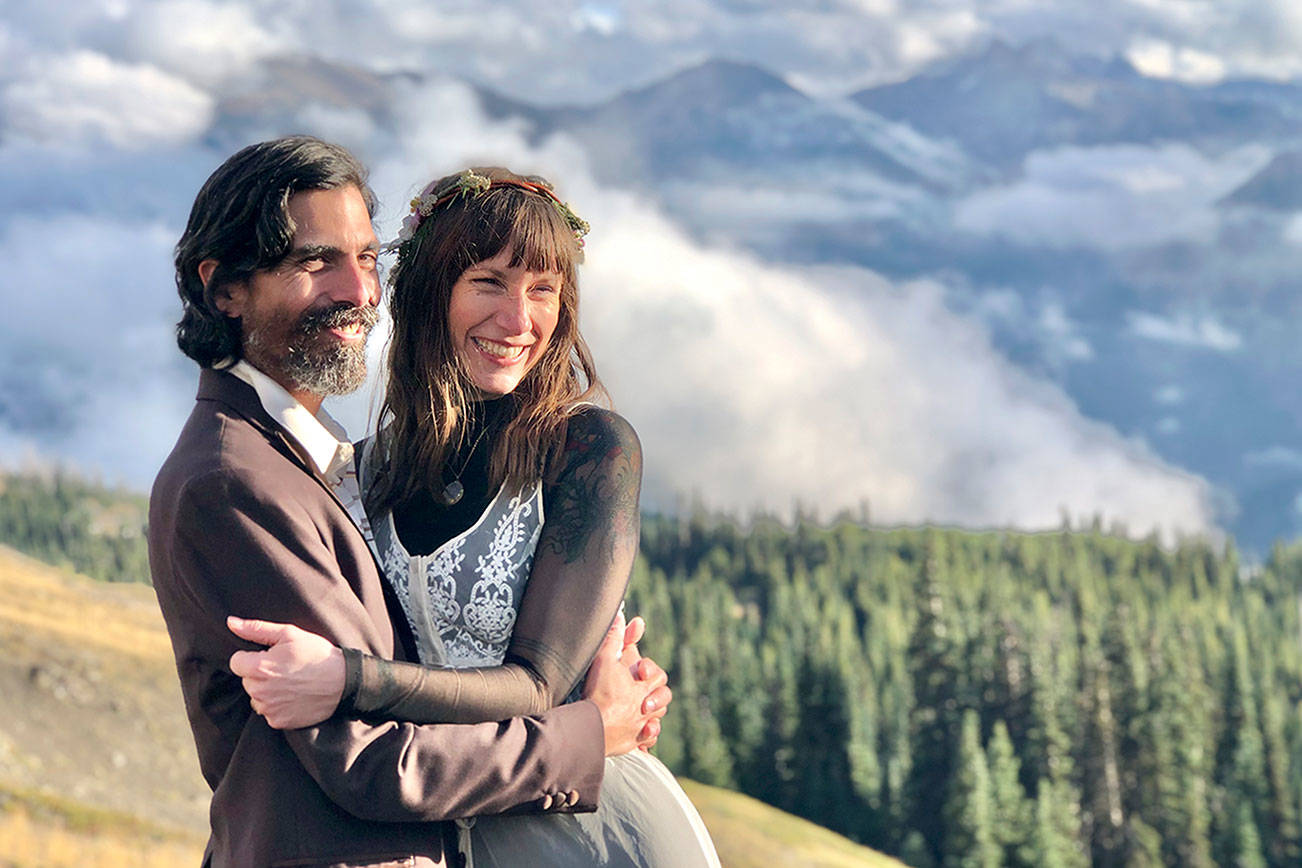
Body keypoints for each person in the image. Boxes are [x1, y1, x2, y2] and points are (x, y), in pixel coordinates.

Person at [149, 137, 670, 868]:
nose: (360, 291)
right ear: (224, 289)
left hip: (576, 833)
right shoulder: (240, 479)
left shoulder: (334, 464)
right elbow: (366, 762)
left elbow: (535, 678)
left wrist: (610, 702)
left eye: (366, 259)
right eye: (316, 260)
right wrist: (591, 730)